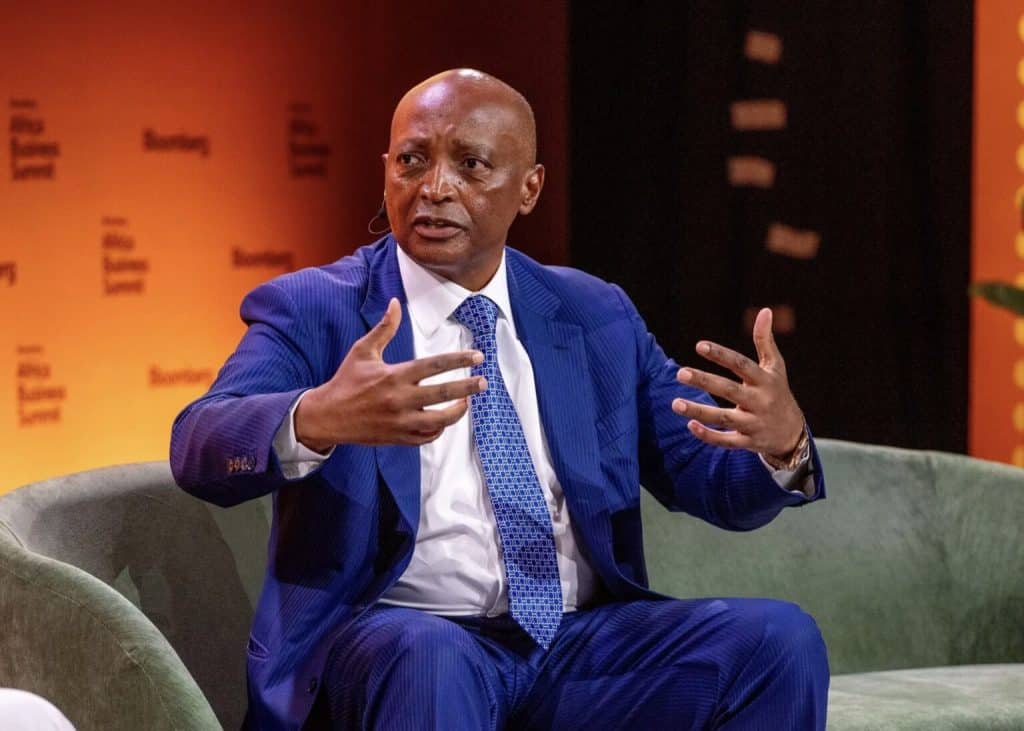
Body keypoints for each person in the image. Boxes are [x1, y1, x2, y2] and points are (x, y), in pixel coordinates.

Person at [171, 68, 828, 730]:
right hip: (400, 641)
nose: (434, 187)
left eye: (470, 164)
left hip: (573, 645)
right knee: (430, 658)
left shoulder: (595, 314)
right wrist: (316, 417)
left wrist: (782, 446)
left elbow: (703, 478)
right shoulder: (319, 308)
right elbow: (199, 443)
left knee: (778, 642)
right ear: (386, 173)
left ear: (529, 188)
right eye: (412, 161)